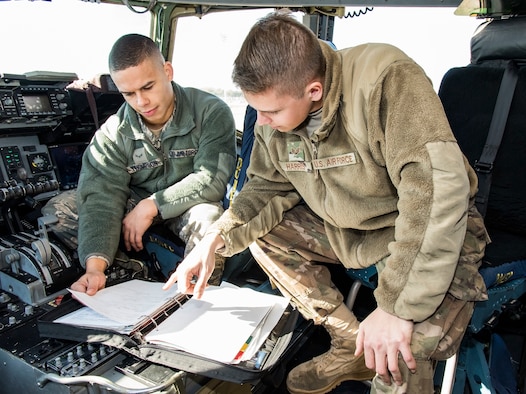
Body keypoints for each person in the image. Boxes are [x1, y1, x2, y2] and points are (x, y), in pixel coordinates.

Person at [163, 11, 490, 394]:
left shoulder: (386, 79)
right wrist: (215, 239)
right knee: (262, 232)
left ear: (314, 91)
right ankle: (348, 340)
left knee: (398, 350)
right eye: (257, 112)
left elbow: (434, 196)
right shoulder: (277, 114)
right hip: (351, 232)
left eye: (270, 112)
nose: (263, 123)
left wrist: (395, 309)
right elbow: (266, 188)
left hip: (430, 231)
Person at [42, 33, 237, 296]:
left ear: (167, 71)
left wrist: (152, 206)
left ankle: (195, 297)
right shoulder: (113, 134)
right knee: (61, 210)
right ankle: (132, 271)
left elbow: (211, 178)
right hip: (134, 202)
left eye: (147, 87)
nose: (141, 102)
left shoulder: (210, 112)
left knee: (210, 220)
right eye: (129, 94)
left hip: (189, 204)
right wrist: (94, 268)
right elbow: (101, 197)